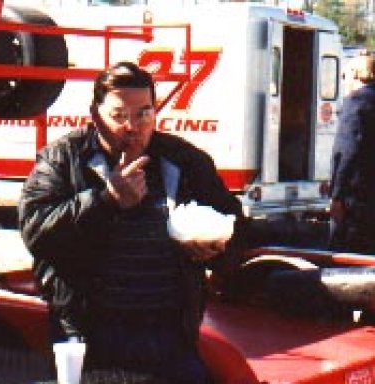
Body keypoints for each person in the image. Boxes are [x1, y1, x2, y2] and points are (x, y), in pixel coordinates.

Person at [18, 61, 255, 383]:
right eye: (119, 115)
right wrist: (105, 201)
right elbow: (36, 231)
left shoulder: (185, 160)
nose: (133, 126)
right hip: (92, 337)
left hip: (169, 335)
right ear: (95, 114)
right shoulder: (63, 158)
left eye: (144, 113)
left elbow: (236, 227)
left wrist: (216, 249)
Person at [329, 50, 375, 254]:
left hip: (356, 198)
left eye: (344, 75)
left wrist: (337, 196)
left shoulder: (355, 104)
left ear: (356, 74)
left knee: (345, 256)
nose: (344, 80)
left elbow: (346, 152)